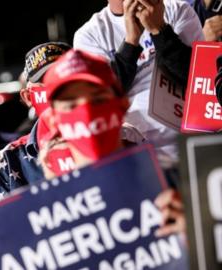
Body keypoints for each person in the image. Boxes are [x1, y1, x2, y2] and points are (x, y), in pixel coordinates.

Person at [39, 48, 186, 242]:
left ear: (122, 105)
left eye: (98, 100)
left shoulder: (174, 178)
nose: (87, 113)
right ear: (52, 121)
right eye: (71, 106)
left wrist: (194, 234)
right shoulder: (45, 211)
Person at [73, 0, 203, 164]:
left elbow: (199, 80)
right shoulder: (89, 35)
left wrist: (159, 30)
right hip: (139, 150)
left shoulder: (177, 9)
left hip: (195, 134)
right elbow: (103, 98)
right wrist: (131, 42)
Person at [0, 42, 71, 199]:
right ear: (28, 97)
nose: (56, 90)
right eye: (46, 83)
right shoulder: (9, 160)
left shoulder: (117, 136)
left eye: (64, 80)